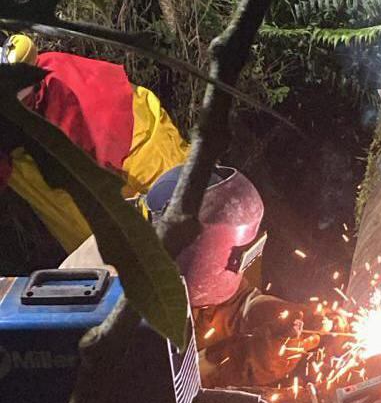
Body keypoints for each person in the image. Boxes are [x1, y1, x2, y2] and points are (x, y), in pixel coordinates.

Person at [63, 165, 322, 387]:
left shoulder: (180, 246)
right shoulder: (110, 298)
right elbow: (156, 392)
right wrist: (235, 362)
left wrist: (263, 311)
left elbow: (224, 300)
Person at [0, 34, 189, 253]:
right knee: (102, 256)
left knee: (184, 206)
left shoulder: (69, 90)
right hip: (30, 159)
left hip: (122, 126)